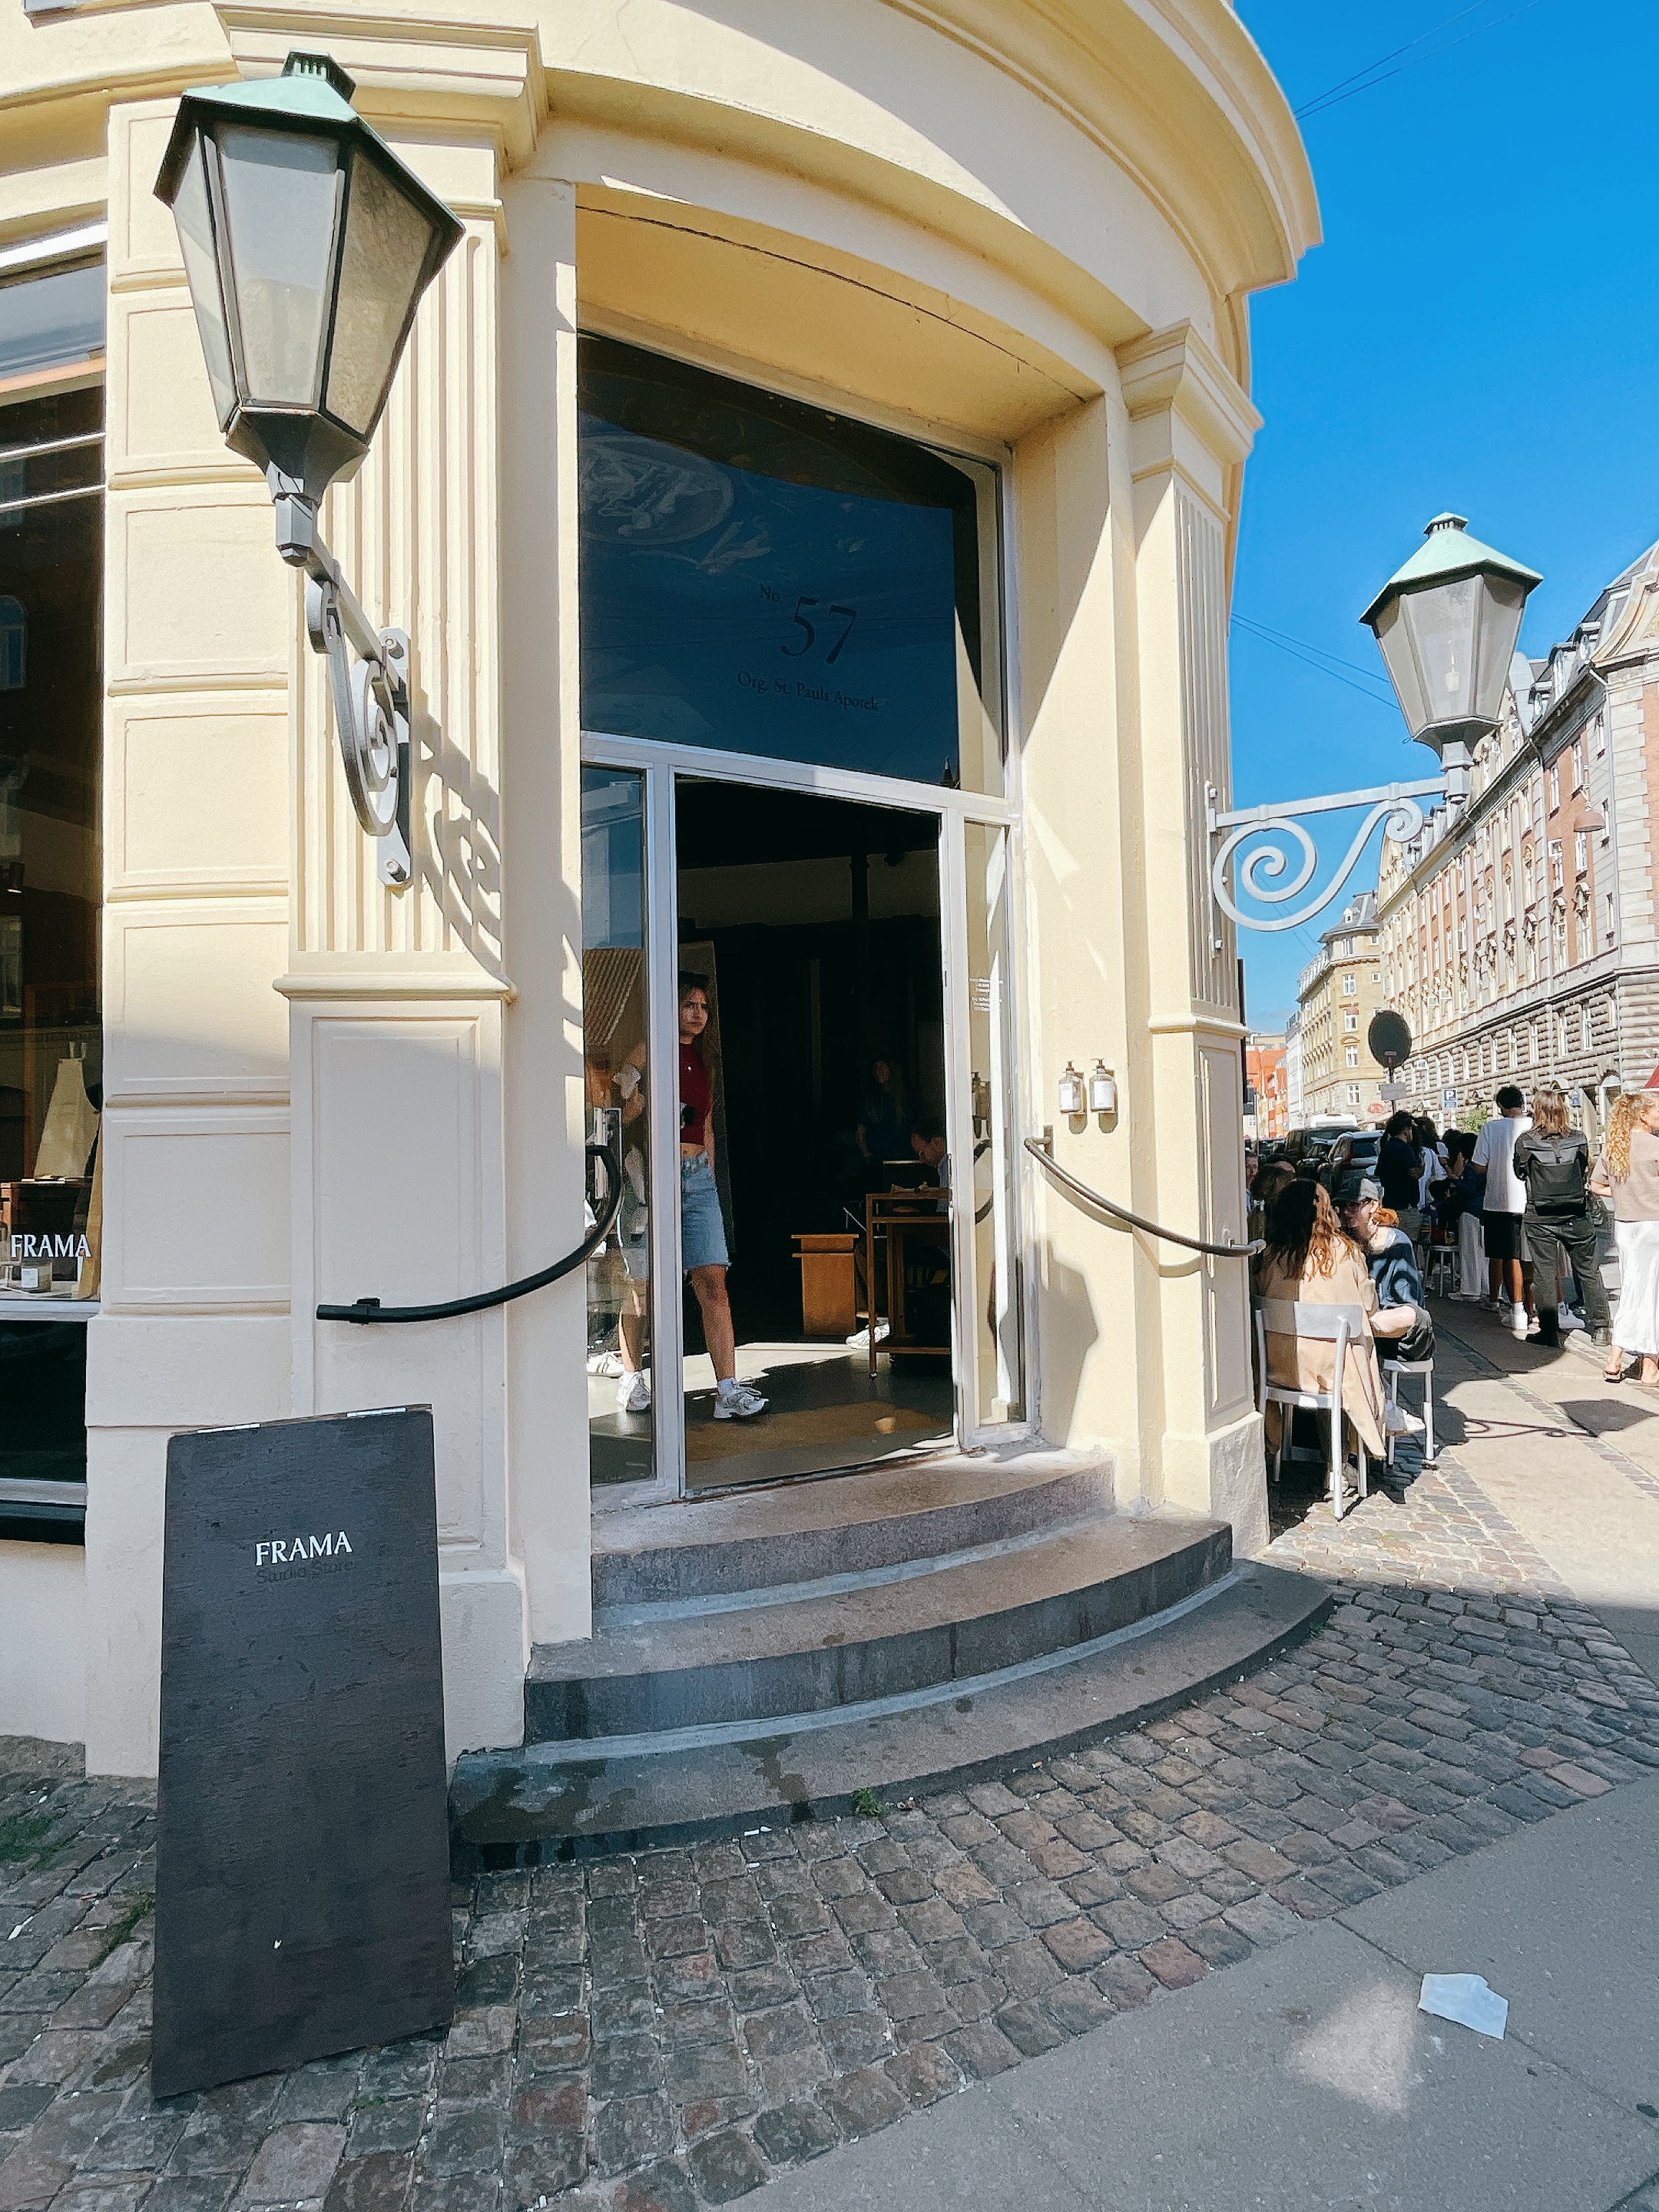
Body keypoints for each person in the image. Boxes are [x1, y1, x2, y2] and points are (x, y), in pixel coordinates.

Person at [618, 975, 768, 1423]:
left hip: (697, 1177)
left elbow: (705, 1126)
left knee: (713, 1282)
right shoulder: (649, 1049)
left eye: (703, 1006)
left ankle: (728, 1390)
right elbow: (619, 1102)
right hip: (650, 1176)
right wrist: (638, 1099)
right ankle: (632, 1376)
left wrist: (711, 1181)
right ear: (672, 1008)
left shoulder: (704, 1061)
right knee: (642, 1283)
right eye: (689, 1004)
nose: (698, 1013)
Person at [1253, 1179, 1409, 1475]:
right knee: (1351, 1350)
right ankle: (1347, 1456)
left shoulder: (1268, 1255)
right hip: (1333, 1374)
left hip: (1277, 1367)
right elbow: (1368, 1307)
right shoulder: (1345, 1252)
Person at [1514, 1086, 1613, 1352]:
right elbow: (1583, 1168)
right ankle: (1601, 1328)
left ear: (1536, 1110)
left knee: (1545, 1274)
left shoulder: (1526, 1141)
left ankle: (1548, 1331)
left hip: (1540, 1215)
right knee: (1588, 1271)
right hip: (1575, 1213)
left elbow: (1520, 1172)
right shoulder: (1578, 1138)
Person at [1591, 1090, 1659, 1386]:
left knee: (1634, 1288)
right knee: (1650, 1293)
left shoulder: (1614, 1146)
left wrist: (1622, 1195)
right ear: (1643, 1116)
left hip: (1626, 1226)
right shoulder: (1655, 1146)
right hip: (1654, 1224)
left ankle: (1617, 1358)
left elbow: (1596, 1186)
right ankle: (1648, 1365)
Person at [1336, 1177, 1435, 1376]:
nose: (1346, 1212)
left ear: (1373, 1206)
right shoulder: (1340, 1242)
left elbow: (1407, 1301)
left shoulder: (1397, 1243)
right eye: (1341, 1206)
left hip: (1387, 1329)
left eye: (1353, 1205)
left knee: (1413, 1316)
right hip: (1357, 1323)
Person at [1472, 1084, 1534, 1336]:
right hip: (1530, 1200)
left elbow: (1479, 1166)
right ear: (1522, 1103)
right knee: (1532, 1256)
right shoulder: (1533, 1126)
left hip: (1499, 1201)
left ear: (1500, 1106)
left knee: (1509, 1257)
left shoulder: (1490, 1129)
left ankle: (1517, 1311)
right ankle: (1534, 1308)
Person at [1443, 1129, 1486, 1300]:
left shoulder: (1471, 1167)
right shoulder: (1485, 1165)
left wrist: (1456, 1180)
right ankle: (1485, 1288)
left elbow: (1469, 1189)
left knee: (1469, 1251)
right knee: (1483, 1253)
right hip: (1483, 1210)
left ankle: (1469, 1290)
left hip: (1469, 1210)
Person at [1376, 1111, 1426, 1250]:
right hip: (1406, 1207)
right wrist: (1422, 1165)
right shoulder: (1405, 1150)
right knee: (1409, 1247)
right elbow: (1414, 1173)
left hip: (1389, 1205)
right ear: (1406, 1130)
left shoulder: (1386, 1148)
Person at [856, 1058, 910, 1171]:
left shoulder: (906, 1097)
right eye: (877, 1068)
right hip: (878, 1158)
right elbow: (862, 1129)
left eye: (883, 1067)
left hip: (901, 1156)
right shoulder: (872, 1099)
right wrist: (866, 1152)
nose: (879, 1071)